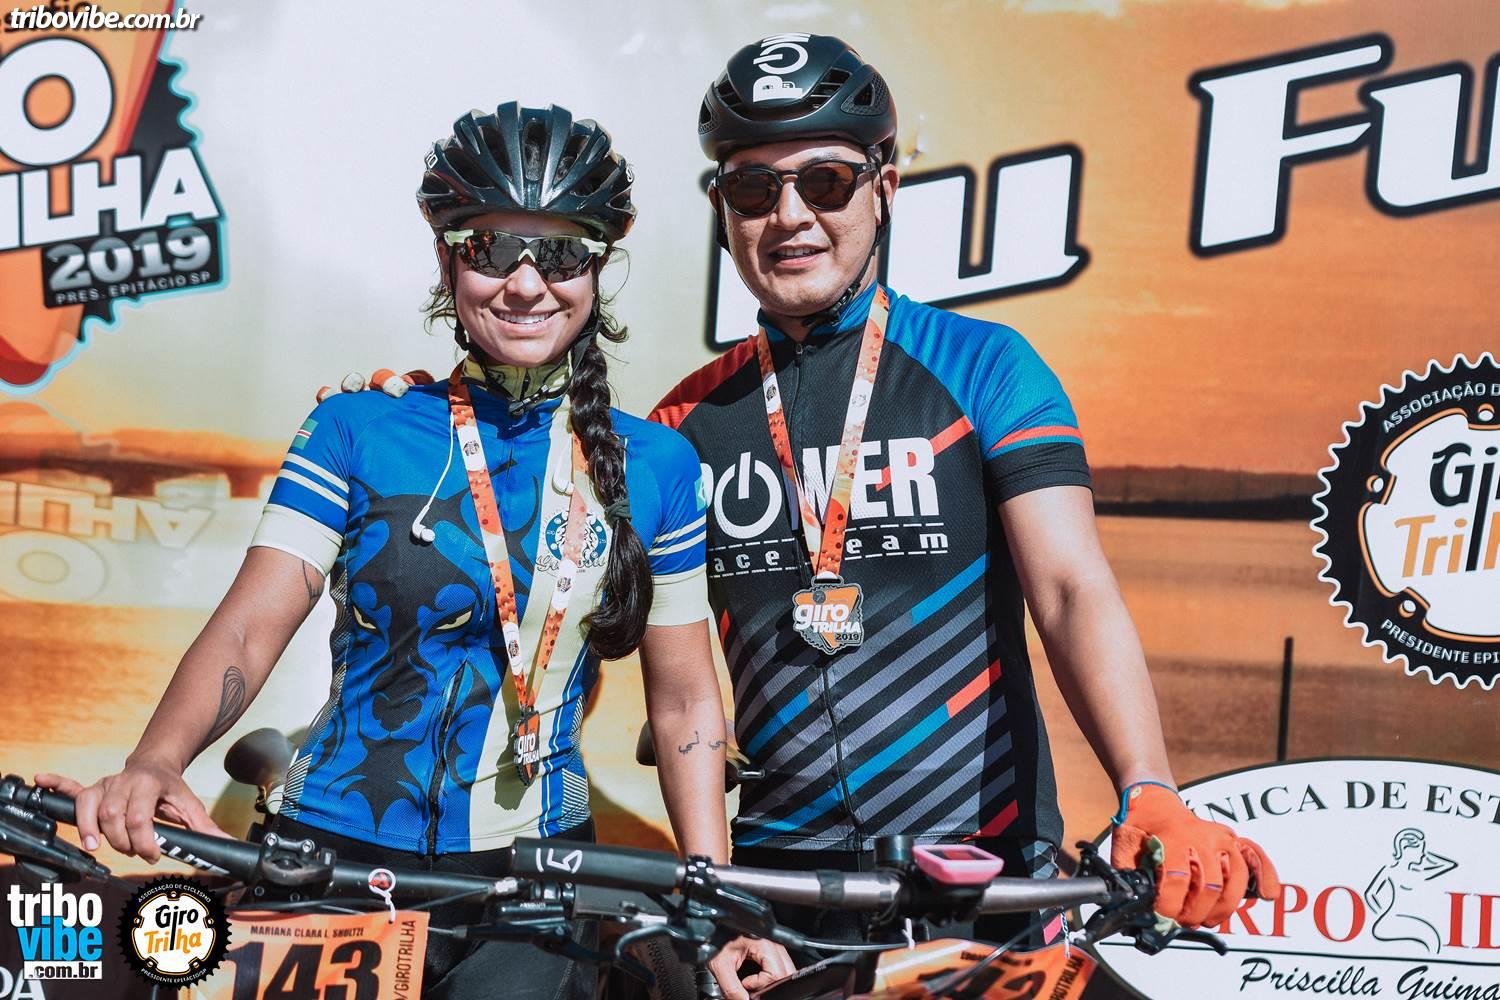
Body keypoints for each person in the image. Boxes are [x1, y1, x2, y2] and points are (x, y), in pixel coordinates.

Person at [36, 102, 749, 999]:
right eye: (491, 248)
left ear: (600, 262)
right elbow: (249, 629)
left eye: (562, 253)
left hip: (535, 885)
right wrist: (154, 761)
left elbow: (684, 704)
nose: (526, 283)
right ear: (447, 257)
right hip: (329, 861)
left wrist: (715, 899)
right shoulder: (355, 427)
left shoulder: (658, 466)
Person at [648, 33, 1283, 994]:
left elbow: (1069, 590)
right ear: (722, 209)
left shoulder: (986, 367)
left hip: (985, 876)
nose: (789, 216)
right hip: (781, 893)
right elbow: (672, 682)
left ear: (884, 189)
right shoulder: (682, 424)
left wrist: (1147, 785)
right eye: (752, 189)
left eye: (825, 182)